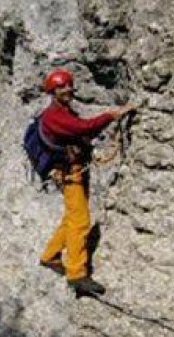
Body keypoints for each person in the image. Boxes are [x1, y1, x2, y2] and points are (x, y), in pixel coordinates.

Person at [38, 68, 136, 295]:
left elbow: (80, 132)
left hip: (74, 170)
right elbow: (83, 128)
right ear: (53, 91)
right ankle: (76, 274)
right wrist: (112, 115)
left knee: (72, 216)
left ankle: (50, 256)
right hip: (69, 173)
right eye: (61, 87)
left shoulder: (63, 111)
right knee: (80, 221)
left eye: (69, 85)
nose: (67, 90)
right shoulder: (54, 115)